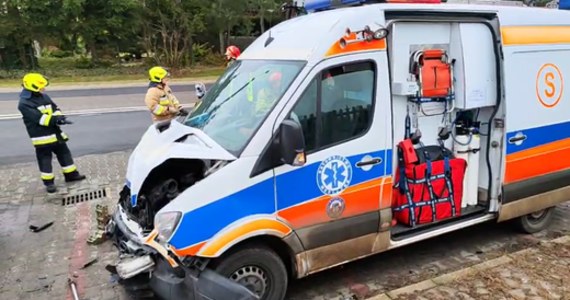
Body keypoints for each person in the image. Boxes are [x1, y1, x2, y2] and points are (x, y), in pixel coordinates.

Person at [17, 73, 86, 193]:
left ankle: (71, 175)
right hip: (41, 137)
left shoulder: (44, 96)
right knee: (45, 159)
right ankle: (49, 183)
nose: (44, 88)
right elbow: (40, 119)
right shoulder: (24, 103)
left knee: (65, 154)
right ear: (33, 87)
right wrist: (56, 120)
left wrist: (60, 117)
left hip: (55, 133)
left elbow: (55, 109)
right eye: (41, 86)